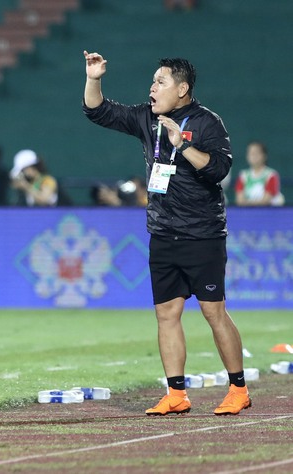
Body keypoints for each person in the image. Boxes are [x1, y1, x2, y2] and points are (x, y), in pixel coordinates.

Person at [82, 51, 251, 415]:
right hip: (162, 234)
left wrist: (183, 145)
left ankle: (238, 389)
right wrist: (94, 78)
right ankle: (177, 394)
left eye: (161, 82)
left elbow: (219, 170)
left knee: (213, 312)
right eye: (153, 81)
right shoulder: (147, 117)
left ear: (183, 89)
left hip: (202, 234)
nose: (152, 87)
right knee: (166, 315)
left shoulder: (207, 123)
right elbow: (98, 111)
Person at [235, 141, 285, 206]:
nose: (253, 156)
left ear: (264, 156)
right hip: (247, 213)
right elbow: (239, 200)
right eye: (250, 153)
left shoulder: (271, 175)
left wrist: (247, 203)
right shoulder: (243, 175)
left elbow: (266, 200)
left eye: (256, 153)